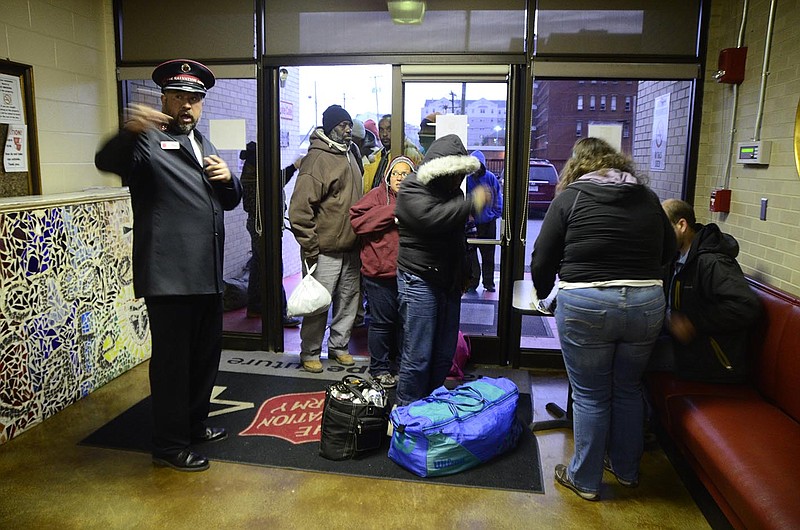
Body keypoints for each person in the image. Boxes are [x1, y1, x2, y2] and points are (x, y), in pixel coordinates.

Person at [95, 59, 242, 472]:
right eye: (180, 96)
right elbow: (107, 162)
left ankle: (195, 424)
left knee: (204, 359)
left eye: (195, 99)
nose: (187, 106)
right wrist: (130, 130)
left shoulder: (204, 144)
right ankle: (169, 445)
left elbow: (229, 200)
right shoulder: (145, 142)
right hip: (170, 278)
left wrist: (229, 178)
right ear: (165, 98)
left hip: (208, 275)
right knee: (173, 367)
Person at [530, 137, 676, 500]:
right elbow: (670, 250)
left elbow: (542, 256)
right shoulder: (647, 197)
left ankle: (585, 479)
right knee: (627, 388)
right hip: (645, 302)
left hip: (586, 302)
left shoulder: (571, 197)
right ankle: (626, 470)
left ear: (577, 165)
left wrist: (545, 294)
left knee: (591, 395)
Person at [394, 134, 491, 406]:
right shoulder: (412, 187)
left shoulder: (455, 194)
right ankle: (405, 415)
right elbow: (431, 218)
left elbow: (456, 236)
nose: (459, 179)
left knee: (443, 354)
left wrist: (464, 272)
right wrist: (471, 203)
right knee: (419, 354)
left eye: (462, 174)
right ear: (441, 170)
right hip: (419, 278)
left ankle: (430, 405)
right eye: (455, 173)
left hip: (448, 281)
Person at [288, 104, 363, 373]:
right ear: (330, 127)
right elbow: (299, 209)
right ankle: (309, 351)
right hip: (324, 250)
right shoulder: (317, 159)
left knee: (348, 301)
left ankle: (339, 347)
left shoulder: (351, 153)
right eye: (342, 125)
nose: (348, 130)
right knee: (318, 304)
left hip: (351, 248)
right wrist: (311, 247)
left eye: (349, 125)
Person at [652, 199, 761, 382]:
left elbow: (746, 306)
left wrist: (692, 322)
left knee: (627, 362)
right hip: (683, 346)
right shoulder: (678, 258)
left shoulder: (712, 262)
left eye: (664, 228)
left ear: (682, 225)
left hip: (711, 359)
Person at [349, 156, 415, 388]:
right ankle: (378, 368)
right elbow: (358, 222)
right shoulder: (376, 196)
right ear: (388, 176)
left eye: (405, 173)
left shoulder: (417, 198)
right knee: (381, 323)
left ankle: (399, 366)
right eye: (395, 173)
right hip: (378, 273)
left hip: (408, 273)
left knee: (404, 324)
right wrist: (393, 212)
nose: (400, 177)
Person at [239, 141, 302, 327]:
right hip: (263, 227)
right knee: (274, 268)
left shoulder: (252, 172)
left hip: (259, 225)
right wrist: (294, 167)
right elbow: (276, 182)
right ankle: (279, 313)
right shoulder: (254, 175)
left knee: (258, 267)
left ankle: (255, 305)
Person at [465, 150, 503, 292]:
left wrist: (494, 214)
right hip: (472, 223)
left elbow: (498, 198)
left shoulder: (490, 178)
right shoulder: (467, 180)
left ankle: (488, 282)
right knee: (471, 254)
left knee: (488, 254)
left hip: (488, 223)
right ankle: (473, 281)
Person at [362, 114, 423, 191]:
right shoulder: (379, 155)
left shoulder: (408, 153)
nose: (384, 134)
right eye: (381, 130)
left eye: (389, 129)